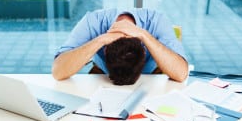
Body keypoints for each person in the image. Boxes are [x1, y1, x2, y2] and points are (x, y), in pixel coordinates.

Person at [52, 8, 189, 84]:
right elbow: (58, 72)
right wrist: (100, 40)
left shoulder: (157, 20)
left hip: (149, 75)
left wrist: (144, 35)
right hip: (106, 74)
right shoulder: (92, 21)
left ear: (144, 48)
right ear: (104, 51)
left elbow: (182, 74)